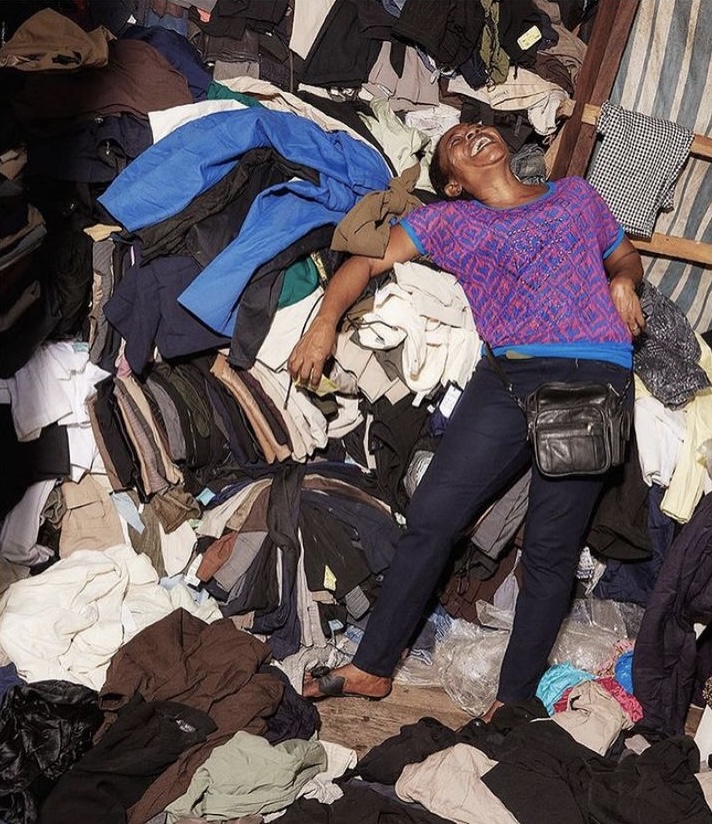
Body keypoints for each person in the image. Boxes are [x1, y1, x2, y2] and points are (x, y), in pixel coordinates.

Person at [287, 122, 646, 717]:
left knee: (552, 549)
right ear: (451, 185)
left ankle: (511, 701)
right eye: (456, 141)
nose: (474, 134)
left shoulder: (576, 195)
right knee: (431, 516)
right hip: (506, 374)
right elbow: (364, 261)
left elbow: (622, 253)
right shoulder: (448, 222)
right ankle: (372, 666)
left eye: (478, 127)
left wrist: (624, 282)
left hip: (590, 372)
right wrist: (324, 323)